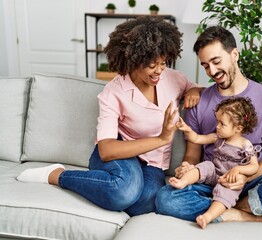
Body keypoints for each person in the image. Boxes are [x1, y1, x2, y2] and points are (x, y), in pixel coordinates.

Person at [16, 16, 202, 217]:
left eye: (163, 63)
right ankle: (57, 175)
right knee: (123, 192)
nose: (159, 70)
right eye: (151, 65)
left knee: (146, 203)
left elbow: (194, 88)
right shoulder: (114, 92)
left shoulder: (173, 79)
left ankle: (109, 185)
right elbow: (106, 149)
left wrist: (194, 91)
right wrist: (162, 139)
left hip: (153, 164)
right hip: (119, 154)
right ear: (134, 60)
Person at [155, 26, 262, 224]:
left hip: (253, 181)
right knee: (165, 199)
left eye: (216, 62)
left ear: (234, 54)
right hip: (212, 181)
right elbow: (192, 154)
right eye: (206, 66)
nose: (212, 71)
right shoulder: (198, 102)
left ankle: (231, 211)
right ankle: (251, 213)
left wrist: (244, 178)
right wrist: (186, 167)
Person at [170, 97, 261, 228]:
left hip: (228, 180)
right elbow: (196, 138)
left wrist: (238, 170)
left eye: (222, 124)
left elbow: (254, 166)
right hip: (214, 173)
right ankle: (183, 182)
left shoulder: (245, 144)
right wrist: (187, 129)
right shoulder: (217, 137)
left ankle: (208, 216)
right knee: (206, 165)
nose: (217, 126)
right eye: (217, 122)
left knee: (225, 191)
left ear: (238, 128)